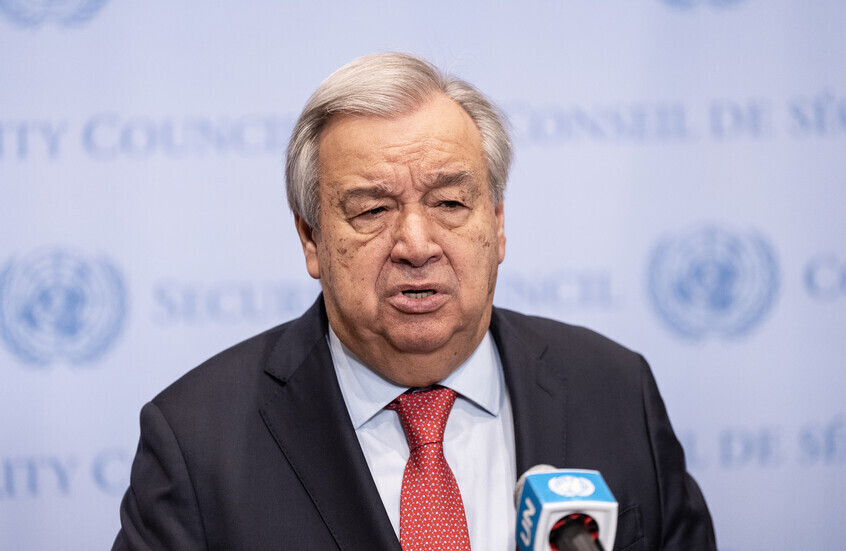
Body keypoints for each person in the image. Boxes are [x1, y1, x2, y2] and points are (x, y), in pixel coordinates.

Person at [113, 52, 716, 551]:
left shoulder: (616, 390)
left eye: (450, 204)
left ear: (498, 223)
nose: (416, 245)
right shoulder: (198, 442)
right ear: (311, 239)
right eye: (372, 210)